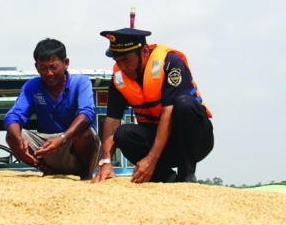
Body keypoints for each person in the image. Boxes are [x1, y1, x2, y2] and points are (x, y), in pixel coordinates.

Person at [91, 28, 214, 184]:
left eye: (126, 60)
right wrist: (106, 162)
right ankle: (164, 177)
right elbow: (112, 121)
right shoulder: (119, 78)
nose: (122, 67)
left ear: (144, 52)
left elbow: (168, 113)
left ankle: (186, 175)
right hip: (159, 142)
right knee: (122, 133)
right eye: (117, 61)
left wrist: (151, 160)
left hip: (194, 140)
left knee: (185, 104)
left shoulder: (171, 63)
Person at [4, 39, 100, 180]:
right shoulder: (32, 86)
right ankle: (47, 169)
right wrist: (19, 139)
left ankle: (85, 173)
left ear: (66, 63)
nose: (49, 73)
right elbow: (13, 116)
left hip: (73, 144)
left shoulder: (81, 82)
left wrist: (61, 139)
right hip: (47, 148)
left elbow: (87, 114)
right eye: (43, 68)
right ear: (36, 67)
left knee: (85, 134)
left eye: (53, 67)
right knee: (11, 136)